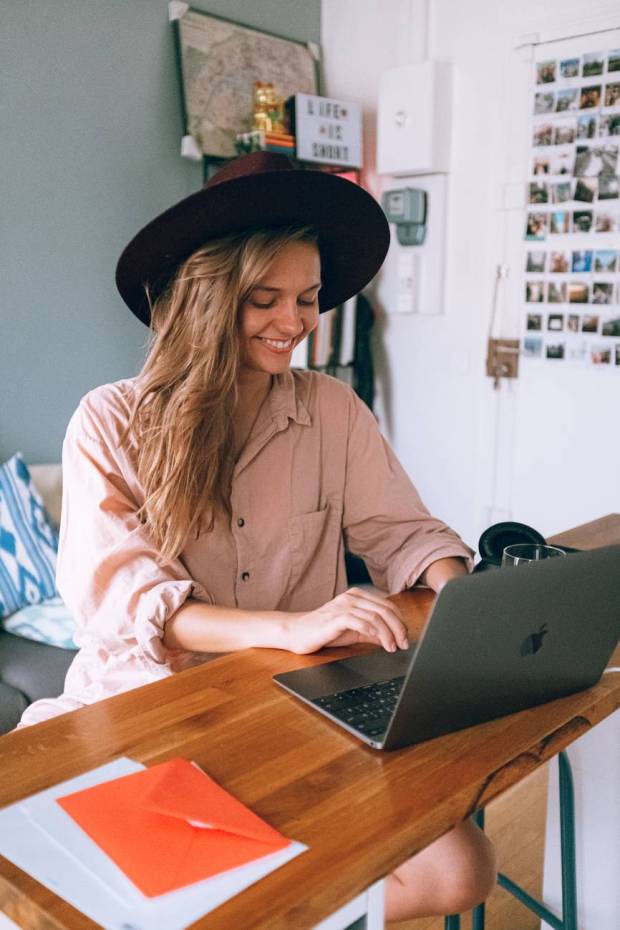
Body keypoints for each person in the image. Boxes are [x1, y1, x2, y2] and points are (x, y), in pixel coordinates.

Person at [19, 152, 495, 921]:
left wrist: (465, 593)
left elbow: (403, 531)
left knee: (459, 868)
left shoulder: (332, 410)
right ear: (207, 298)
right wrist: (300, 625)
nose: (294, 323)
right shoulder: (109, 422)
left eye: (307, 299)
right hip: (145, 706)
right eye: (264, 299)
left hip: (291, 704)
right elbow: (133, 605)